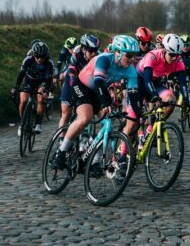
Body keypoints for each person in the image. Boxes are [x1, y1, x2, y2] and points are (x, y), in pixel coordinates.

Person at [51, 35, 142, 172]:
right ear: (117, 52)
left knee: (108, 123)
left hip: (99, 91)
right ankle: (61, 151)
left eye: (134, 56)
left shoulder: (131, 70)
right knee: (85, 118)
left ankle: (94, 160)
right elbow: (98, 82)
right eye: (129, 55)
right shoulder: (103, 60)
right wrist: (106, 103)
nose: (132, 59)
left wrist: (138, 114)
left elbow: (133, 95)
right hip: (82, 86)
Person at [59, 34, 101, 128]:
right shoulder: (76, 54)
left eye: (95, 50)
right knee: (66, 114)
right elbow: (71, 73)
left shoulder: (98, 56)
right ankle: (62, 136)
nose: (94, 53)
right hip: (72, 80)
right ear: (84, 49)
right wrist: (74, 92)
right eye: (91, 51)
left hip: (87, 83)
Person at [13, 41, 54, 135]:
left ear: (46, 56)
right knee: (23, 100)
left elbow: (49, 78)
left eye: (42, 57)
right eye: (37, 56)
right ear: (33, 54)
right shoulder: (28, 59)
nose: (39, 59)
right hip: (29, 80)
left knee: (40, 99)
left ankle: (38, 123)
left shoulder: (49, 62)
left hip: (42, 82)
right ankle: (22, 122)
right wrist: (16, 86)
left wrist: (46, 90)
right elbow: (22, 73)